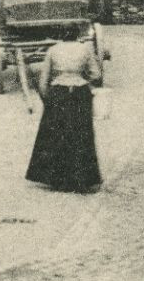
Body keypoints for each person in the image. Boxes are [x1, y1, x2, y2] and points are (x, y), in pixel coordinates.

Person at [24, 25, 104, 193]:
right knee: (81, 135)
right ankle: (81, 179)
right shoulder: (86, 49)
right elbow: (96, 75)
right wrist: (83, 79)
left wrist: (48, 100)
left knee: (57, 135)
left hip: (58, 94)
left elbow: (43, 80)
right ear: (77, 34)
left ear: (61, 35)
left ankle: (57, 179)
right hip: (80, 94)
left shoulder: (53, 50)